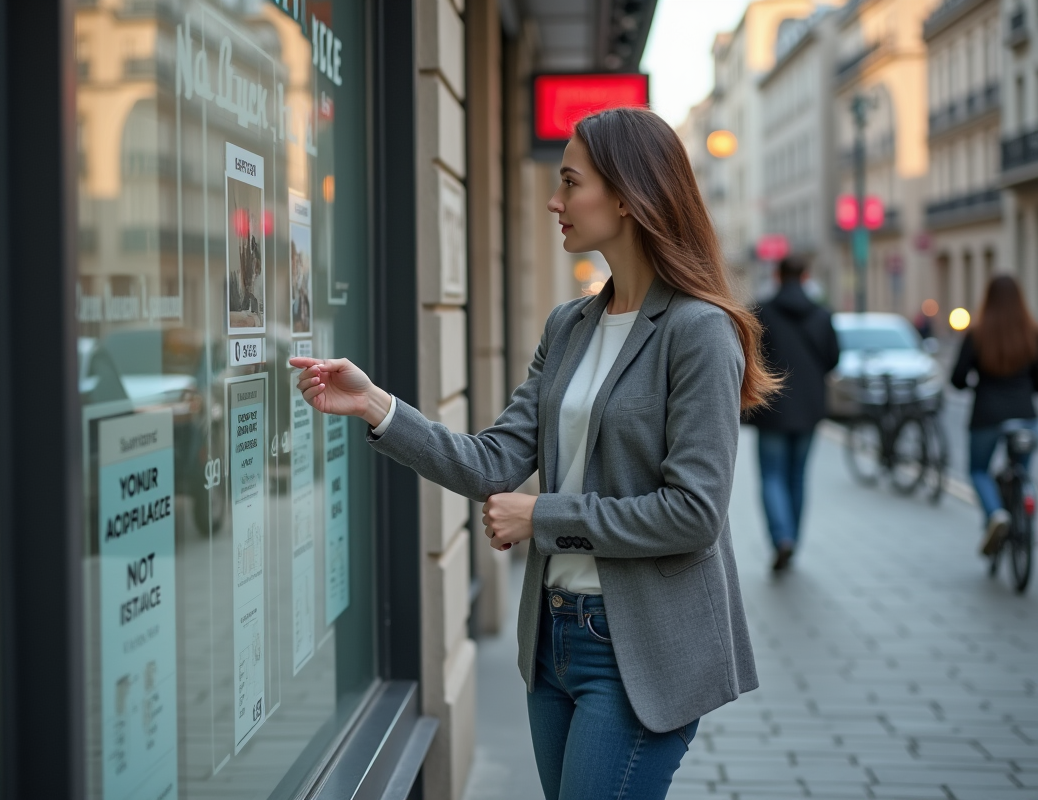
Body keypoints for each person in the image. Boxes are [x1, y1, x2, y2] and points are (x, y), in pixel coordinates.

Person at [289, 108, 778, 800]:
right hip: (554, 639)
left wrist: (542, 517)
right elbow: (491, 463)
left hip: (639, 652)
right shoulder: (570, 325)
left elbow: (693, 514)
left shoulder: (700, 333)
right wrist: (375, 405)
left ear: (626, 196)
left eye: (570, 182)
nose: (555, 200)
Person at [746, 255, 839, 571]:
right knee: (798, 475)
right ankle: (793, 541)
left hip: (773, 408)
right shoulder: (822, 314)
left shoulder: (762, 312)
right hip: (810, 408)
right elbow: (833, 359)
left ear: (777, 275)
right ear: (805, 276)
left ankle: (781, 538)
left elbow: (748, 359)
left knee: (772, 475)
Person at [950, 274, 1038, 556]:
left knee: (978, 470)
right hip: (1024, 414)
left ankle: (995, 513)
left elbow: (957, 377)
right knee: (1021, 470)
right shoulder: (1031, 333)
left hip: (987, 414)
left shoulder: (978, 334)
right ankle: (1022, 505)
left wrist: (972, 384)